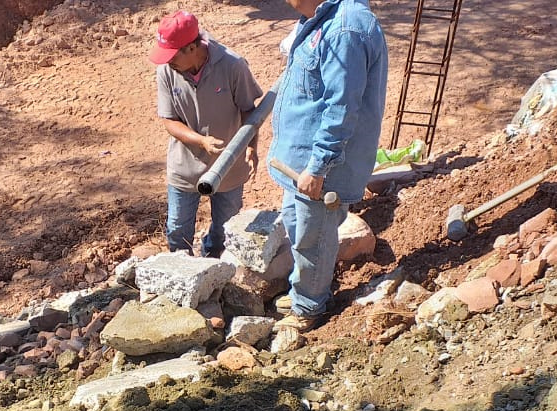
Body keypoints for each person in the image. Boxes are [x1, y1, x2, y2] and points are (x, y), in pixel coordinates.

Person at [268, 0, 388, 330]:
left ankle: (309, 307)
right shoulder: (321, 19)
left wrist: (319, 166)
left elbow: (341, 109)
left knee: (314, 236)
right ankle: (305, 290)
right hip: (300, 161)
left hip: (321, 167)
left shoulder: (345, 30)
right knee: (297, 225)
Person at [152, 9, 264, 258]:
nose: (167, 61)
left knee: (225, 231)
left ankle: (213, 266)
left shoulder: (233, 65)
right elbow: (170, 121)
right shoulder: (166, 71)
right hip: (185, 168)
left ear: (192, 48)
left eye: (172, 55)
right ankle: (181, 269)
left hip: (228, 167)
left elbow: (249, 110)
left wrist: (251, 146)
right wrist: (201, 141)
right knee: (177, 230)